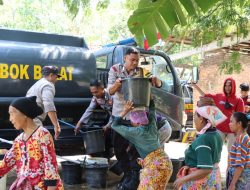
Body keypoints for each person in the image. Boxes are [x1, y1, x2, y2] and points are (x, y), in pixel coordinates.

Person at [107, 47, 162, 190]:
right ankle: (128, 173)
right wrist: (117, 84)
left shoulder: (142, 71)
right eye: (132, 60)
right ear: (125, 58)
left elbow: (158, 83)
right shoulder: (114, 70)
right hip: (120, 113)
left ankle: (133, 177)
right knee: (118, 148)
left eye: (137, 60)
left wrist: (157, 81)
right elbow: (110, 92)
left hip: (136, 117)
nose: (135, 63)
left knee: (136, 149)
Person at [0, 96, 63, 190]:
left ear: (24, 114)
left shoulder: (42, 134)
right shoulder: (19, 140)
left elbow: (50, 166)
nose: (10, 119)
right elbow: (6, 163)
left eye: (12, 114)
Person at [112, 99, 173, 190]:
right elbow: (152, 109)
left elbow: (114, 125)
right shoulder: (152, 125)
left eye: (132, 121)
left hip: (154, 166)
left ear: (137, 123)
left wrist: (125, 110)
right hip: (166, 163)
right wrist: (150, 98)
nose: (131, 123)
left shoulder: (135, 132)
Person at [173, 102, 227, 190]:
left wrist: (183, 179)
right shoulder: (216, 134)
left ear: (201, 118)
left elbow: (206, 169)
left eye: (195, 116)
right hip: (213, 179)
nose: (194, 119)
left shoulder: (203, 139)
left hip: (201, 182)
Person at [192, 78, 245, 151]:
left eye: (230, 86)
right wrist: (195, 86)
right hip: (220, 129)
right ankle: (216, 163)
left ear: (233, 86)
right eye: (226, 86)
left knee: (232, 151)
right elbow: (205, 95)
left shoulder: (238, 100)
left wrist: (239, 131)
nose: (227, 88)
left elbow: (241, 117)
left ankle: (231, 163)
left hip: (233, 131)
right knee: (216, 150)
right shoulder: (219, 96)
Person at [74, 79, 113, 158]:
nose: (94, 94)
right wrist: (79, 123)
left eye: (96, 92)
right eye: (92, 92)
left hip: (120, 116)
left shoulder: (111, 95)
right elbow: (89, 110)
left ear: (102, 89)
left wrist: (108, 125)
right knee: (105, 137)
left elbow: (116, 113)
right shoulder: (95, 98)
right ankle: (105, 159)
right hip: (111, 116)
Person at [26, 66, 61, 140]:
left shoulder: (39, 83)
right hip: (33, 119)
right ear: (51, 75)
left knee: (32, 146)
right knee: (43, 142)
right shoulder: (48, 85)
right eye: (56, 77)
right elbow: (49, 105)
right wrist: (56, 125)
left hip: (26, 119)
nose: (56, 79)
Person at [226, 112, 250, 190]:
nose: (229, 124)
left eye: (231, 121)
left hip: (241, 179)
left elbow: (240, 165)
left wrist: (232, 184)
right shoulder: (241, 137)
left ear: (239, 123)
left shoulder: (242, 138)